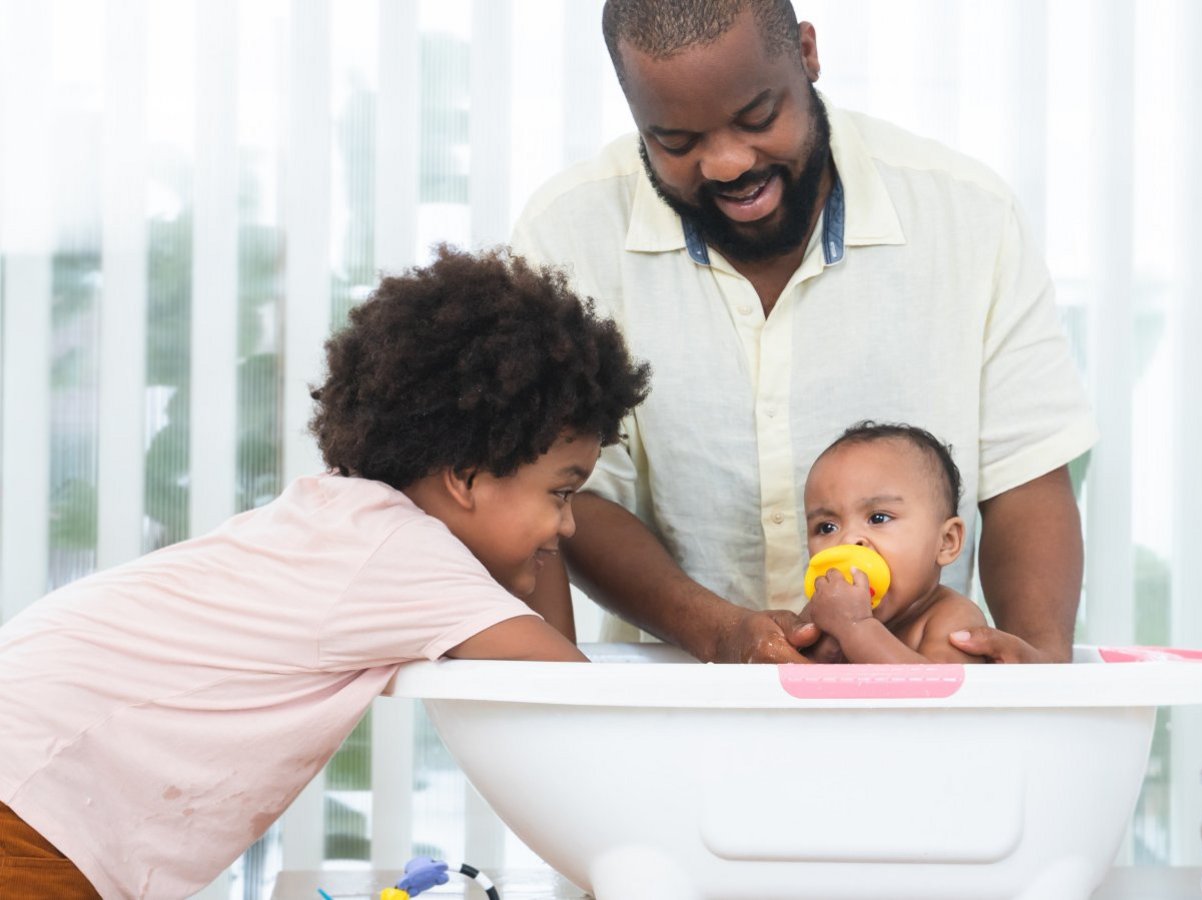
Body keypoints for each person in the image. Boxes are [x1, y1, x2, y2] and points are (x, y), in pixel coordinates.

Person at [0, 247, 650, 898]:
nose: (568, 527)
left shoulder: (346, 518)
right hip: (32, 802)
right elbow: (568, 686)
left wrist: (535, 531)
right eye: (561, 494)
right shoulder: (405, 556)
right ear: (464, 477)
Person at [510, 0, 1095, 665]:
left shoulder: (969, 215)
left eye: (757, 117)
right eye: (675, 142)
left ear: (808, 54)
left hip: (926, 711)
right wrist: (720, 632)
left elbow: (1027, 475)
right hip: (680, 700)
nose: (727, 163)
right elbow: (572, 496)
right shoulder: (567, 234)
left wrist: (1041, 679)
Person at [800, 422, 988, 664]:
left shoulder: (952, 617)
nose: (847, 541)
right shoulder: (825, 610)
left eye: (878, 518)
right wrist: (817, 650)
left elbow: (935, 686)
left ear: (946, 542)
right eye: (827, 527)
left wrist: (855, 627)